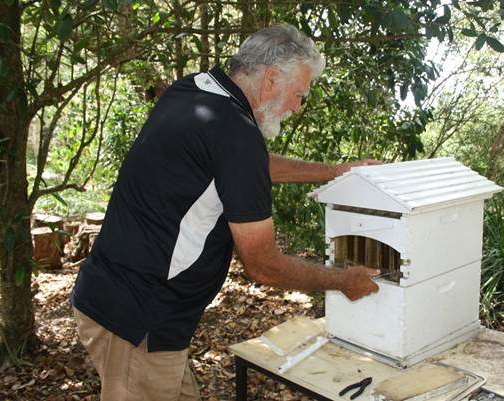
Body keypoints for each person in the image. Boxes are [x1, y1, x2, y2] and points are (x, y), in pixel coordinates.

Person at [71, 23, 380, 401]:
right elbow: (262, 265)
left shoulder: (195, 90)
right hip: (140, 323)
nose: (297, 107)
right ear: (270, 78)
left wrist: (332, 172)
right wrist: (343, 280)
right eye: (299, 94)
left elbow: (245, 165)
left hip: (118, 298)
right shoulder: (236, 133)